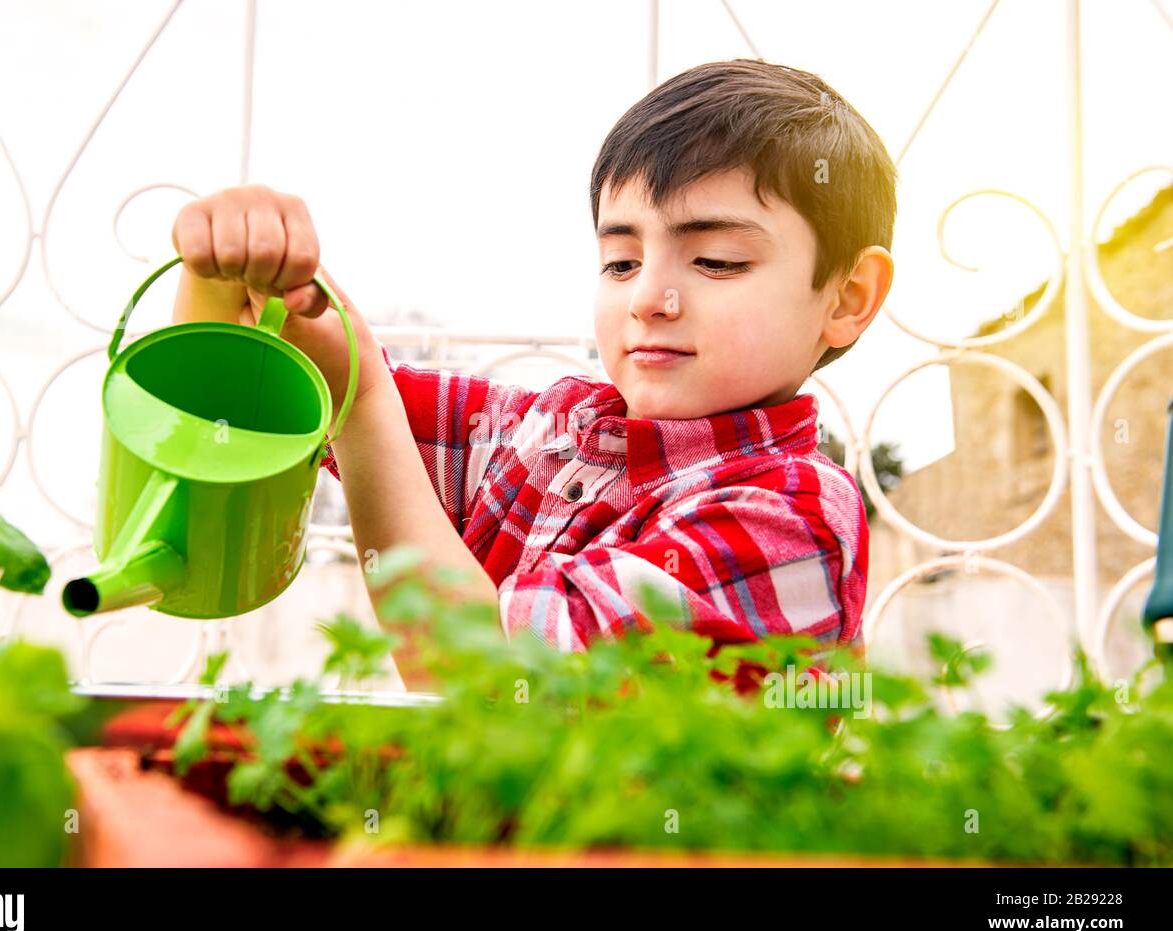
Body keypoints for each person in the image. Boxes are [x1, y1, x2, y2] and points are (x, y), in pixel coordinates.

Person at [169, 58, 896, 694]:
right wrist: (226, 268)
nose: (648, 297)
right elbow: (247, 403)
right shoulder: (550, 431)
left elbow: (492, 688)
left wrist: (360, 404)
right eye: (621, 261)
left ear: (846, 298)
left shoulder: (793, 512)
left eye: (717, 261)